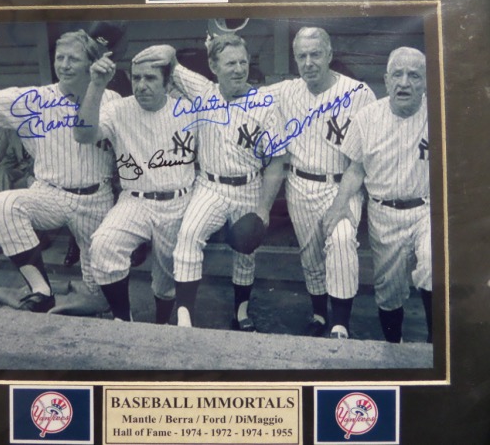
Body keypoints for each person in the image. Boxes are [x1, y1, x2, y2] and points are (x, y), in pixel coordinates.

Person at [133, 34, 283, 329]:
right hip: (210, 185)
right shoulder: (202, 91)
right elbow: (169, 57)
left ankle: (241, 313)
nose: (239, 69)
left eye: (243, 62)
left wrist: (264, 210)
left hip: (250, 185)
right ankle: (185, 315)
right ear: (214, 66)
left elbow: (277, 162)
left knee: (245, 254)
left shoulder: (265, 105)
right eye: (230, 63)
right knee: (188, 236)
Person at [0, 30, 121, 312]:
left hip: (96, 199)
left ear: (92, 64)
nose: (64, 65)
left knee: (101, 290)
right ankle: (40, 290)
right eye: (60, 58)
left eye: (73, 59)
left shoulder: (112, 99)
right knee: (5, 203)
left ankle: (81, 300)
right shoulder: (35, 99)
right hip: (49, 194)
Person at [258, 27, 376, 339]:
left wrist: (339, 205)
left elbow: (361, 160)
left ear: (329, 55)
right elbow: (242, 93)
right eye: (302, 56)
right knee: (310, 256)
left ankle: (341, 324)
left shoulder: (358, 92)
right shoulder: (285, 91)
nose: (309, 62)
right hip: (299, 184)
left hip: (342, 185)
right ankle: (319, 315)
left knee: (340, 241)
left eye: (315, 54)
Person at [73, 50, 196, 324]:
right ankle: (122, 320)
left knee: (166, 280)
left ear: (167, 83)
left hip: (177, 201)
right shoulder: (118, 109)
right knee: (104, 245)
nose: (142, 85)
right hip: (134, 199)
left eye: (151, 78)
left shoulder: (188, 110)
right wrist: (96, 85)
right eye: (137, 78)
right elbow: (83, 134)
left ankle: (161, 323)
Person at [322, 47, 432, 343]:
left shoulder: (439, 114)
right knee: (389, 293)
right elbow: (355, 169)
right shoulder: (367, 117)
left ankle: (437, 345)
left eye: (414, 76)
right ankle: (393, 348)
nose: (405, 82)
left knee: (434, 264)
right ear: (386, 79)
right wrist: (339, 205)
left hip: (426, 209)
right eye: (398, 74)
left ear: (425, 82)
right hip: (384, 213)